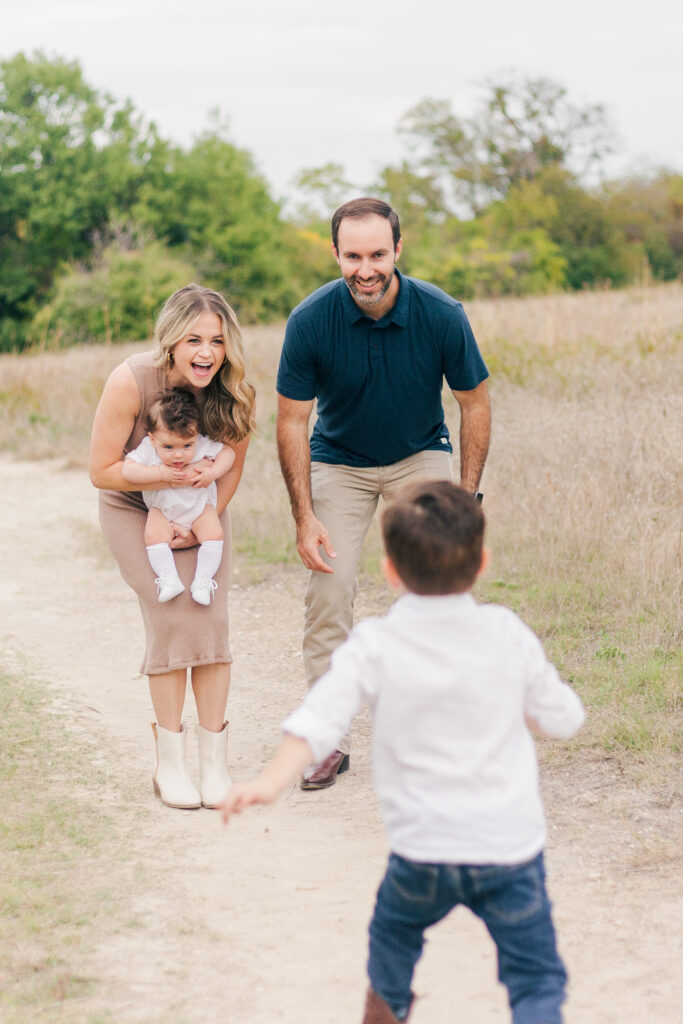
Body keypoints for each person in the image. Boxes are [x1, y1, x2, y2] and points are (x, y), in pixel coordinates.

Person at [219, 481, 585, 1024]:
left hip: (421, 852)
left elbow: (321, 718)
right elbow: (563, 718)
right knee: (535, 978)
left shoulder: (376, 644)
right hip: (507, 850)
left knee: (392, 946)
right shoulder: (505, 634)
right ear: (482, 562)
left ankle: (387, 1009)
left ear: (390, 571)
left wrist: (270, 782)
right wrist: (523, 709)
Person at [276, 196, 491, 789]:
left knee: (432, 594)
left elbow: (473, 403)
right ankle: (326, 739)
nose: (365, 268)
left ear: (398, 249)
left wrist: (464, 502)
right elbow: (293, 421)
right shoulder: (310, 320)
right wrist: (303, 516)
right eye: (352, 256)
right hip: (338, 461)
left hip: (418, 453)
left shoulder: (442, 313)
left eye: (377, 254)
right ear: (336, 254)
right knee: (329, 589)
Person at [89, 284, 255, 810]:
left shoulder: (232, 392)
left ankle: (215, 766)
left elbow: (232, 469)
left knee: (210, 617)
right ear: (170, 342)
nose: (206, 353)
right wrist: (165, 482)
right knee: (173, 614)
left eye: (217, 340)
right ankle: (171, 764)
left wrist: (200, 516)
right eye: (193, 340)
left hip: (201, 514)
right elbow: (102, 471)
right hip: (134, 510)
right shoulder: (131, 380)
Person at [122, 388, 236, 606]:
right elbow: (128, 470)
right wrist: (159, 473)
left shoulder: (202, 444)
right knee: (153, 535)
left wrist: (213, 472)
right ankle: (168, 579)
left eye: (187, 446)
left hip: (199, 507)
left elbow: (228, 453)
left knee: (214, 533)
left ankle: (203, 580)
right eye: (168, 447)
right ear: (153, 439)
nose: (178, 454)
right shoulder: (148, 449)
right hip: (163, 511)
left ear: (195, 436)